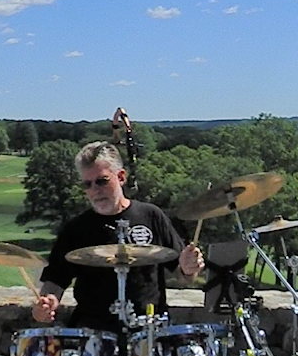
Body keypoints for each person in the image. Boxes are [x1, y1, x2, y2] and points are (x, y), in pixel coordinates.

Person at [33, 141, 204, 330]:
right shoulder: (76, 228)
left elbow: (184, 275)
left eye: (102, 181)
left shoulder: (151, 215)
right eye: (87, 184)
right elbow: (55, 281)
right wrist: (47, 303)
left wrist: (189, 269)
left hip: (149, 329)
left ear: (121, 177)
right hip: (94, 331)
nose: (95, 190)